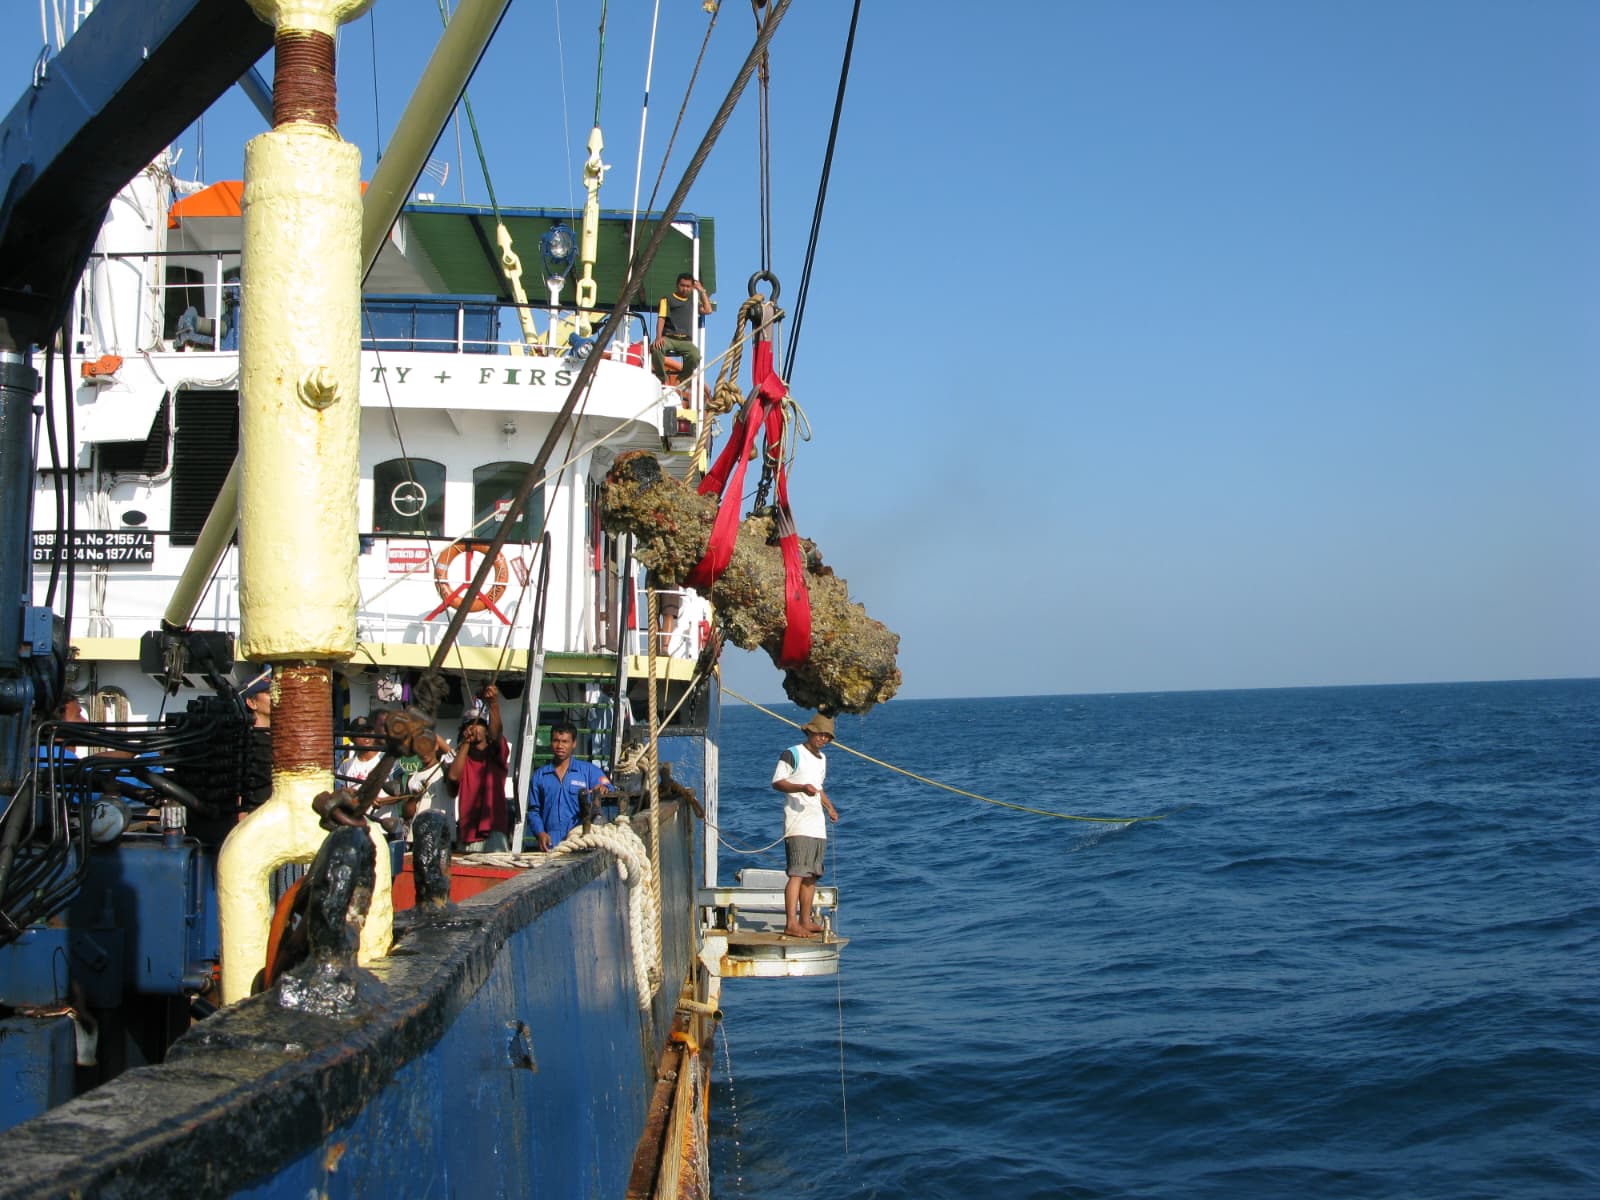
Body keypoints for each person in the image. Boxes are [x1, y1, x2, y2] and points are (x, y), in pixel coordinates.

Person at [771, 713, 840, 939]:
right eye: (819, 734)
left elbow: (819, 788)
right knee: (797, 874)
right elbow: (777, 782)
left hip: (816, 824)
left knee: (812, 875)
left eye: (827, 736)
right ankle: (791, 922)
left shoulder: (822, 759)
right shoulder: (792, 753)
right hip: (797, 824)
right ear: (809, 732)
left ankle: (805, 920)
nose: (823, 739)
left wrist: (829, 807)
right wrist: (801, 788)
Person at [529, 721, 611, 852]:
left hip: (581, 843)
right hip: (551, 845)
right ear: (551, 742)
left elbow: (608, 788)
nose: (560, 745)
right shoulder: (540, 776)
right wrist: (540, 833)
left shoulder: (588, 771)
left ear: (574, 744)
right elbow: (534, 811)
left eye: (565, 741)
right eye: (556, 741)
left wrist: (602, 789)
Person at [448, 685, 511, 853]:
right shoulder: (463, 757)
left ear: (486, 729)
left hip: (493, 830)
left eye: (478, 724)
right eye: (468, 726)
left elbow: (497, 734)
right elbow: (454, 777)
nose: (473, 728)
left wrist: (494, 704)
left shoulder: (495, 753)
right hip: (467, 831)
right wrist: (466, 743)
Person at [650, 273, 713, 394]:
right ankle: (663, 379)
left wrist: (701, 291)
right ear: (677, 285)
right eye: (682, 285)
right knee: (656, 349)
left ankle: (680, 380)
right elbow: (661, 318)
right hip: (669, 337)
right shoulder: (667, 299)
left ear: (692, 288)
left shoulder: (692, 302)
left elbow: (708, 310)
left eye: (688, 286)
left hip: (685, 341)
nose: (685, 289)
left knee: (695, 355)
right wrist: (658, 337)